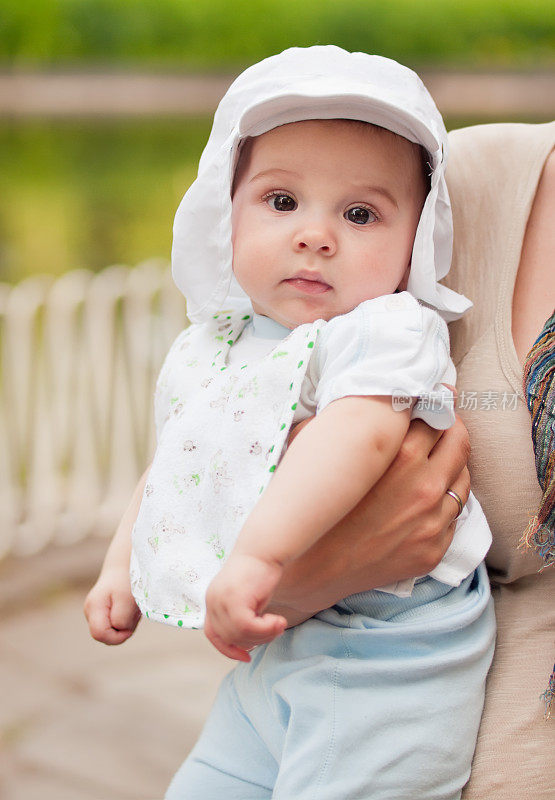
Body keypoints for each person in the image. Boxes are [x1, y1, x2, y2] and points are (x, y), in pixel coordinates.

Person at [85, 47, 497, 799]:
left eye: (360, 214)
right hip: (280, 654)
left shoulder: (381, 329)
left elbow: (360, 434)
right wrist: (124, 569)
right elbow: (179, 460)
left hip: (388, 661)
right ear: (225, 213)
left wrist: (256, 559)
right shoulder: (220, 344)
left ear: (416, 245)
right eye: (281, 202)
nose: (315, 235)